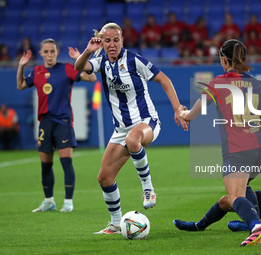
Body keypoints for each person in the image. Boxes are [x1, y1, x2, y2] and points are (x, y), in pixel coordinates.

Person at [74, 22, 188, 234]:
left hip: (147, 122)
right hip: (121, 130)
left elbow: (164, 79)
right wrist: (87, 51)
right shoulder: (101, 62)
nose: (112, 44)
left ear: (122, 41)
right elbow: (79, 67)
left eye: (116, 40)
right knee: (104, 177)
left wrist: (176, 109)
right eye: (107, 41)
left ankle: (148, 189)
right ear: (102, 42)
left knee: (133, 139)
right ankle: (116, 223)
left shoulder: (134, 60)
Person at [176, 39, 261, 246]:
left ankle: (256, 227)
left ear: (223, 59)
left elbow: (192, 115)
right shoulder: (258, 84)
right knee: (233, 196)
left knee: (236, 196)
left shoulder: (217, 83)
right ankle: (199, 226)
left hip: (239, 149)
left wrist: (182, 112)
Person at [16, 39, 97, 213]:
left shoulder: (67, 68)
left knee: (66, 163)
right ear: (42, 54)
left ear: (57, 52)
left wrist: (80, 59)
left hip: (63, 121)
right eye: (46, 52)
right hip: (45, 122)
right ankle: (49, 201)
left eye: (52, 51)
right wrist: (21, 66)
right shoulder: (36, 71)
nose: (50, 54)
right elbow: (21, 85)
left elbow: (92, 77)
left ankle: (68, 202)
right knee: (45, 165)